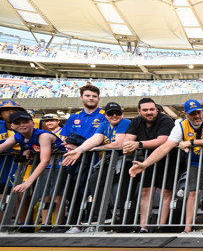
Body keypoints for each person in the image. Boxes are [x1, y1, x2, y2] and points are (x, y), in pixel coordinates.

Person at [128, 99, 203, 233]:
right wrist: (145, 164)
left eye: (198, 112)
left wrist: (191, 142)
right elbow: (165, 147)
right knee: (192, 193)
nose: (197, 116)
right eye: (192, 113)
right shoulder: (181, 125)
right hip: (194, 163)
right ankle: (188, 228)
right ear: (186, 114)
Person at [62, 102, 131, 232]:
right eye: (111, 113)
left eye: (118, 113)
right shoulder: (104, 124)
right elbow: (95, 139)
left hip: (124, 161)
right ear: (106, 115)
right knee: (94, 181)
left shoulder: (125, 122)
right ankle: (103, 218)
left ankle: (120, 223)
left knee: (122, 190)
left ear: (122, 114)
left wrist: (98, 148)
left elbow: (119, 144)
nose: (114, 115)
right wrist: (80, 150)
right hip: (109, 161)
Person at [0, 112, 66, 228]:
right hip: (47, 168)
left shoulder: (43, 136)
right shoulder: (18, 136)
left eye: (25, 122)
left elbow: (45, 160)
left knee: (57, 196)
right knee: (45, 196)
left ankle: (58, 226)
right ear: (12, 126)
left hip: (61, 165)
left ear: (32, 123)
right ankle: (46, 225)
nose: (22, 125)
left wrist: (28, 182)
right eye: (17, 123)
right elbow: (3, 147)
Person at [123, 98, 176, 233]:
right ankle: (143, 227)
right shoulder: (136, 121)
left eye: (152, 109)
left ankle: (161, 227)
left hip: (168, 159)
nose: (149, 112)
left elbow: (162, 141)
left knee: (165, 192)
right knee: (146, 191)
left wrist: (138, 144)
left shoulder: (165, 120)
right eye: (145, 110)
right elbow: (127, 140)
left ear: (156, 110)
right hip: (146, 161)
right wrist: (127, 146)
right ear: (139, 111)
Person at [60, 85, 107, 231]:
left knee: (94, 192)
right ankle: (76, 224)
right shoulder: (74, 117)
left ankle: (93, 224)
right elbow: (65, 137)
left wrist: (81, 147)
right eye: (87, 96)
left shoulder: (105, 115)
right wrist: (70, 145)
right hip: (76, 161)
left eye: (94, 96)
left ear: (98, 99)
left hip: (97, 160)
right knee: (74, 192)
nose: (91, 98)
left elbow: (104, 137)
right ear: (81, 97)